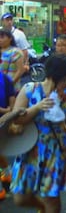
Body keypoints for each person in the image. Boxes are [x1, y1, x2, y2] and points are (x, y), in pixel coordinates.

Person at [10, 54, 66, 213]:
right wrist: (37, 107)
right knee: (20, 198)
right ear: (56, 76)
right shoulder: (29, 90)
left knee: (51, 197)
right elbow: (17, 120)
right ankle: (41, 207)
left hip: (55, 150)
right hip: (28, 149)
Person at [0, 70, 15, 200]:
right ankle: (7, 173)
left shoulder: (5, 79)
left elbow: (12, 102)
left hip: (2, 121)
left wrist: (9, 115)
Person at [0, 29, 25, 93]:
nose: (0, 39)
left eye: (2, 37)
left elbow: (20, 70)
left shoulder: (15, 52)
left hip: (10, 88)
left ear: (10, 38)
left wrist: (10, 83)